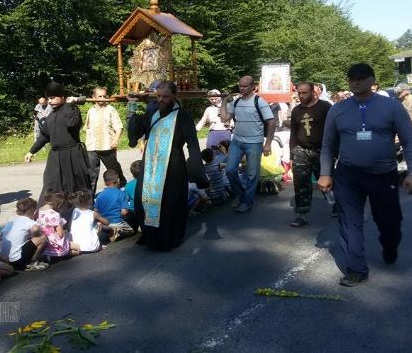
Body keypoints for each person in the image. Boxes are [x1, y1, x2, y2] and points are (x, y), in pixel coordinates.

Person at [318, 63, 412, 287]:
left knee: (389, 223)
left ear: (372, 80)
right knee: (349, 223)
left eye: (361, 78)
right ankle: (356, 270)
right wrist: (325, 173)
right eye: (352, 78)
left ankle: (390, 245)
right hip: (348, 176)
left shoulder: (391, 107)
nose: (356, 82)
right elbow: (327, 145)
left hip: (383, 175)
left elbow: (409, 142)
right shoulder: (338, 109)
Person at [127, 81, 208, 251]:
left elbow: (193, 145)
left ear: (174, 96)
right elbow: (135, 134)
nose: (161, 100)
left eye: (165, 97)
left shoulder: (183, 116)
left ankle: (168, 239)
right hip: (150, 165)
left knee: (169, 203)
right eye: (158, 96)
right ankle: (150, 235)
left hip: (173, 166)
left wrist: (197, 172)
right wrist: (131, 106)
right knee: (145, 199)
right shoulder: (153, 113)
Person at [25, 82, 91, 201]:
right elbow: (44, 136)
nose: (50, 101)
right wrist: (31, 151)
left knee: (74, 189)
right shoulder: (51, 116)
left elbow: (71, 124)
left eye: (53, 98)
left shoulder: (72, 109)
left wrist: (69, 105)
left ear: (62, 97)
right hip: (55, 156)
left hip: (72, 155)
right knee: (50, 186)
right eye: (48, 98)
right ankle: (49, 215)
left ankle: (78, 214)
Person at [219, 76, 276, 213]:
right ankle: (240, 195)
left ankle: (247, 201)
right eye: (240, 86)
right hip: (237, 141)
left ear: (252, 87)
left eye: (245, 86)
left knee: (252, 174)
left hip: (255, 142)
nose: (241, 88)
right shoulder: (237, 101)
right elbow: (224, 118)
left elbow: (271, 122)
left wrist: (268, 143)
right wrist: (224, 100)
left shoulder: (259, 101)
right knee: (230, 170)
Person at [289, 81, 332, 227]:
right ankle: (302, 213)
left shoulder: (325, 107)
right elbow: (293, 133)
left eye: (304, 93)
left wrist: (335, 151)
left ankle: (336, 204)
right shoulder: (296, 110)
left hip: (322, 151)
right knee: (300, 182)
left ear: (313, 92)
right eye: (299, 93)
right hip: (301, 150)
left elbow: (334, 130)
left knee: (328, 182)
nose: (300, 96)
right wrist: (292, 154)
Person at [84, 86, 126, 194]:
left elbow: (118, 126)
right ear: (93, 97)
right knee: (91, 174)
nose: (102, 98)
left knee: (113, 171)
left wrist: (115, 139)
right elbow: (87, 129)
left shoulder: (110, 109)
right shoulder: (90, 111)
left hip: (107, 146)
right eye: (99, 96)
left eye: (104, 96)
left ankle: (120, 190)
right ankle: (89, 200)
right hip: (92, 147)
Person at [0, 197, 49, 271]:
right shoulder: (28, 221)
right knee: (43, 238)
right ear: (31, 211)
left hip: (6, 259)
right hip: (17, 260)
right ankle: (33, 261)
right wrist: (34, 236)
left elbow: (2, 234)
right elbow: (35, 228)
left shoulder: (11, 221)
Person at [94, 169, 135, 241]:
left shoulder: (100, 195)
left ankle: (106, 229)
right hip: (117, 222)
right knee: (131, 230)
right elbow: (124, 212)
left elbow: (96, 211)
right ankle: (117, 232)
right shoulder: (121, 194)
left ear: (104, 182)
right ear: (118, 180)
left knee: (106, 226)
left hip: (104, 222)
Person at [37, 192, 81, 258]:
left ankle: (49, 254)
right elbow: (60, 234)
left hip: (45, 240)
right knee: (78, 249)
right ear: (58, 204)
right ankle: (60, 253)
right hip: (55, 242)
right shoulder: (54, 214)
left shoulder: (39, 210)